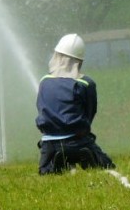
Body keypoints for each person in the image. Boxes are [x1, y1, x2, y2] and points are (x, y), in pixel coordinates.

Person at [35, 33, 116, 174]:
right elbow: (89, 112)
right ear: (79, 61)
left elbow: (42, 109)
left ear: (56, 56)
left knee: (46, 172)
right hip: (78, 140)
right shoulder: (85, 83)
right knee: (106, 165)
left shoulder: (44, 81)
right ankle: (83, 156)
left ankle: (57, 161)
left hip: (49, 144)